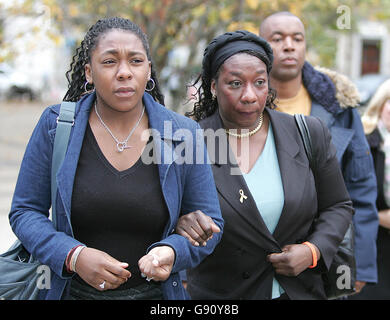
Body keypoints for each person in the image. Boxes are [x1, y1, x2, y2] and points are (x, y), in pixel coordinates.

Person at [8, 17, 223, 300]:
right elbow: (25, 212)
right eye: (109, 62)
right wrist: (74, 256)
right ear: (89, 72)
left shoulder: (183, 133)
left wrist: (172, 251)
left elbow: (210, 224)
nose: (124, 72)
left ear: (148, 71)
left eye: (135, 61)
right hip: (72, 293)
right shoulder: (56, 125)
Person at [177, 30, 354, 300]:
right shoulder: (188, 143)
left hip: (296, 292)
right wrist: (181, 222)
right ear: (213, 86)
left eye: (259, 82)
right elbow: (162, 215)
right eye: (235, 84)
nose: (249, 95)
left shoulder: (307, 132)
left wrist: (312, 251)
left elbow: (338, 205)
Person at [258, 11, 379, 294]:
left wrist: (361, 264)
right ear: (260, 48)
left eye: (297, 39)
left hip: (328, 257)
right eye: (278, 39)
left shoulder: (340, 108)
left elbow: (360, 189)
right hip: (256, 257)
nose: (289, 45)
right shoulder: (241, 106)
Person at [349, 79, 390, 299]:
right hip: (371, 247)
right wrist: (380, 217)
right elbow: (349, 197)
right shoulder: (363, 143)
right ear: (381, 104)